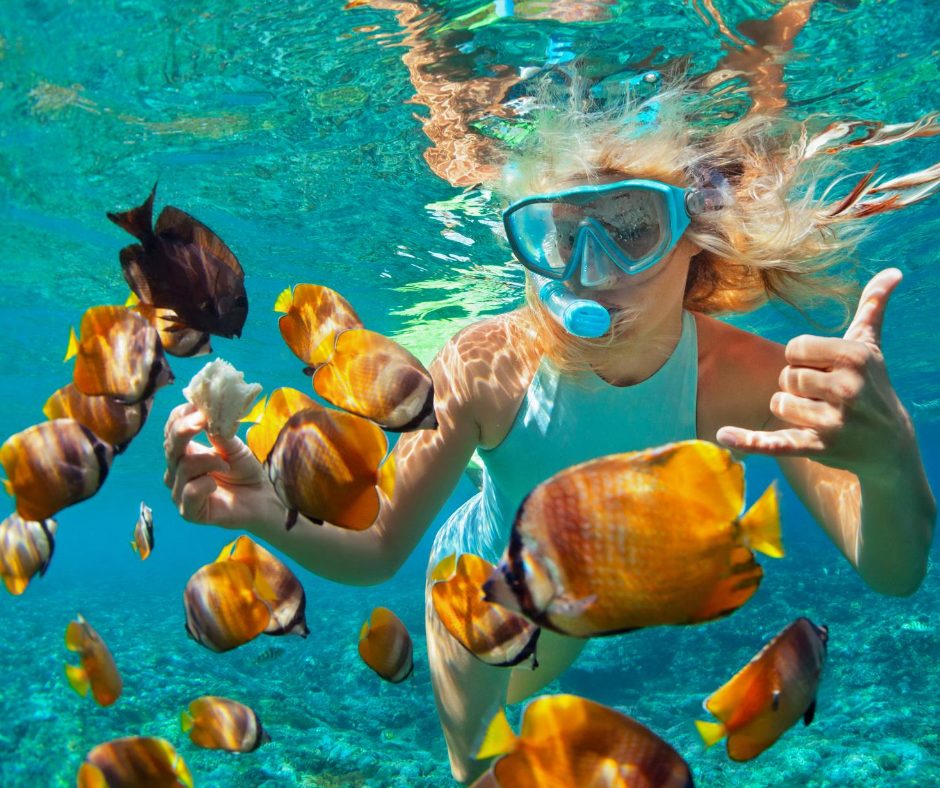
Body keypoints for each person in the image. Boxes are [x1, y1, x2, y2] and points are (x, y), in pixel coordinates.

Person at [163, 77, 937, 784]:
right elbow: (377, 550)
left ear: (693, 238)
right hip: (475, 588)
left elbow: (893, 572)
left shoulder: (747, 378)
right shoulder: (483, 365)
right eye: (559, 235)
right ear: (525, 246)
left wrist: (890, 456)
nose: (588, 270)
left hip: (583, 592)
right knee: (481, 774)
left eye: (631, 226)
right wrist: (263, 512)